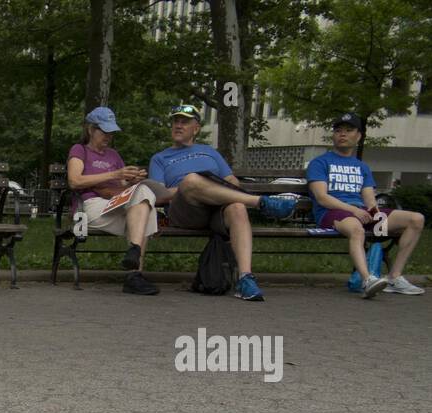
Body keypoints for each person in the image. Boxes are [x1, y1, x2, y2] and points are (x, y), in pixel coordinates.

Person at [148, 103, 300, 301]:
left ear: (196, 128)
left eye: (184, 122)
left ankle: (246, 279)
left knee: (237, 207)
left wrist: (214, 190)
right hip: (187, 211)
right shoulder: (160, 158)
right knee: (192, 180)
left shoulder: (210, 152)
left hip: (216, 210)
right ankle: (261, 203)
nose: (178, 125)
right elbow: (159, 195)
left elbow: (232, 182)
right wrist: (191, 187)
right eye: (175, 121)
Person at [306, 111, 425, 297]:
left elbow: (369, 197)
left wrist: (374, 211)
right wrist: (354, 210)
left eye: (348, 130)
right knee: (357, 229)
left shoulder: (362, 167)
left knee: (416, 219)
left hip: (360, 213)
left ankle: (394, 277)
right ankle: (368, 280)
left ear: (359, 136)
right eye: (338, 130)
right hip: (332, 213)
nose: (342, 134)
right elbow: (322, 198)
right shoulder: (320, 162)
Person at [67, 106, 160, 295]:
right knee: (146, 210)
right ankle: (135, 274)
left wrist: (132, 179)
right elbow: (74, 181)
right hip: (88, 208)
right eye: (105, 131)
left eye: (112, 132)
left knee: (145, 200)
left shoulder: (114, 155)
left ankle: (134, 266)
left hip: (114, 204)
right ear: (91, 130)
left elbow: (122, 188)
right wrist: (116, 173)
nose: (108, 136)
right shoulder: (79, 150)